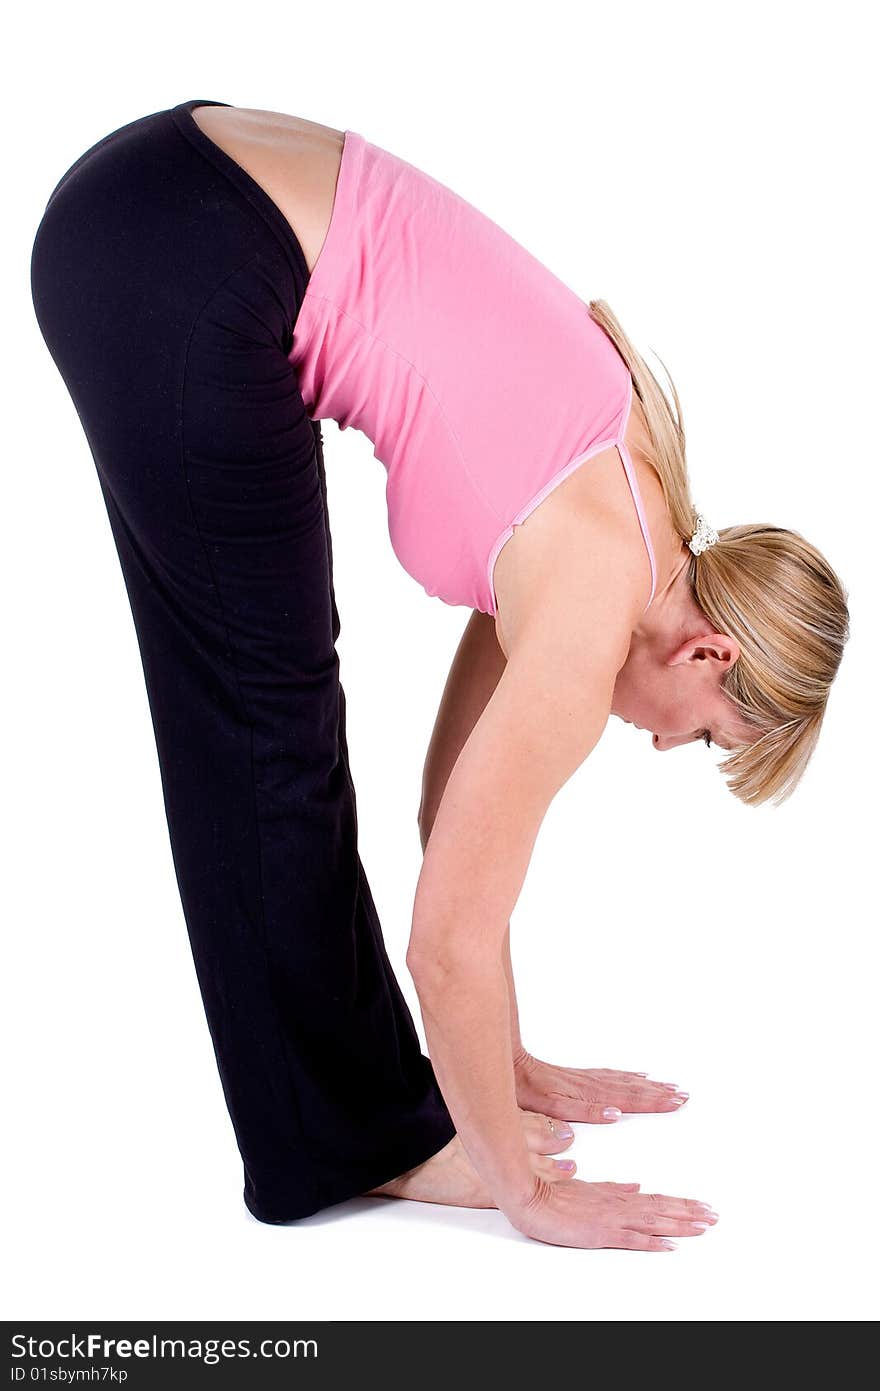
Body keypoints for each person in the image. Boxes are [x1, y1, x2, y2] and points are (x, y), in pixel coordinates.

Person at [29, 98, 849, 1251]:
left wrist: (499, 1054)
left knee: (273, 713)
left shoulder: (621, 503)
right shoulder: (589, 605)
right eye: (707, 734)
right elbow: (444, 941)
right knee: (261, 723)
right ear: (710, 652)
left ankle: (367, 1118)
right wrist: (526, 1189)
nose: (665, 746)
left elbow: (452, 816)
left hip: (161, 195)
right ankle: (360, 1140)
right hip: (183, 253)